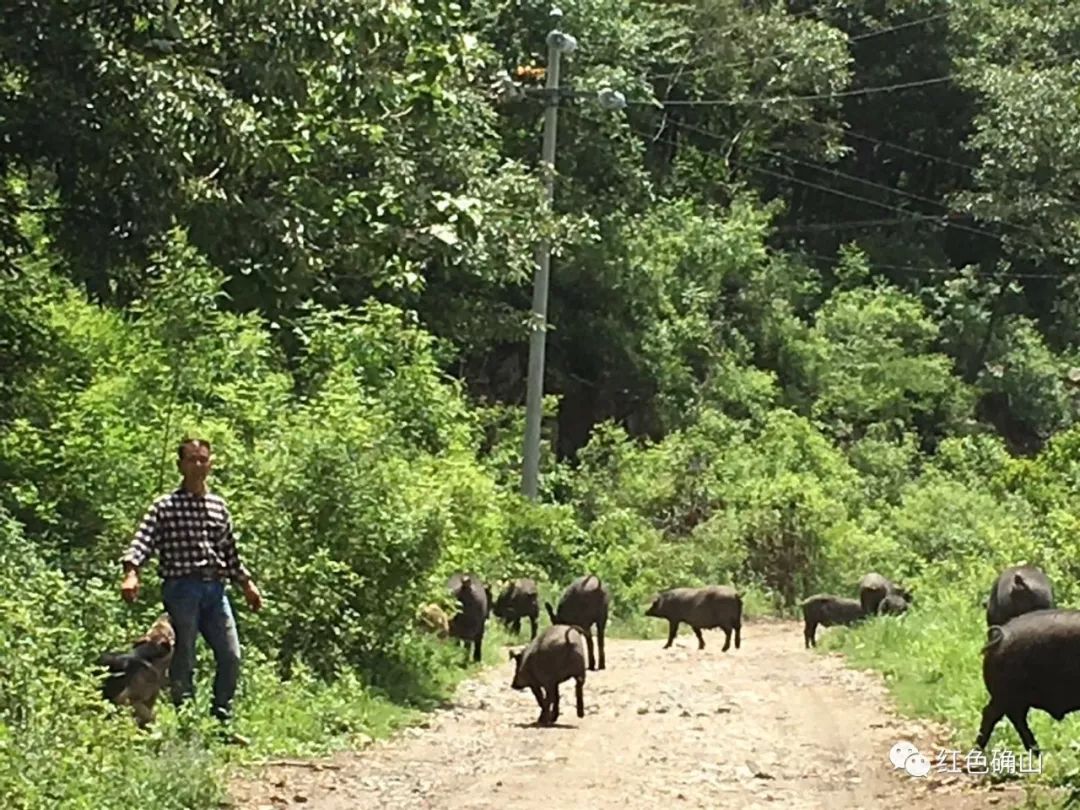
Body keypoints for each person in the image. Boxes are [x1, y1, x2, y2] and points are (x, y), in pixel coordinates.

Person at [120, 437, 263, 731]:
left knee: (231, 655)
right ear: (180, 465)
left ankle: (221, 719)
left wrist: (247, 584)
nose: (198, 465)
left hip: (216, 590)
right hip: (181, 588)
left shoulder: (218, 507)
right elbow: (141, 542)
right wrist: (132, 573)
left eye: (203, 459)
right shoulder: (165, 506)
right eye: (191, 460)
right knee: (184, 657)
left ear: (210, 464)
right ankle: (188, 721)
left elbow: (230, 552)